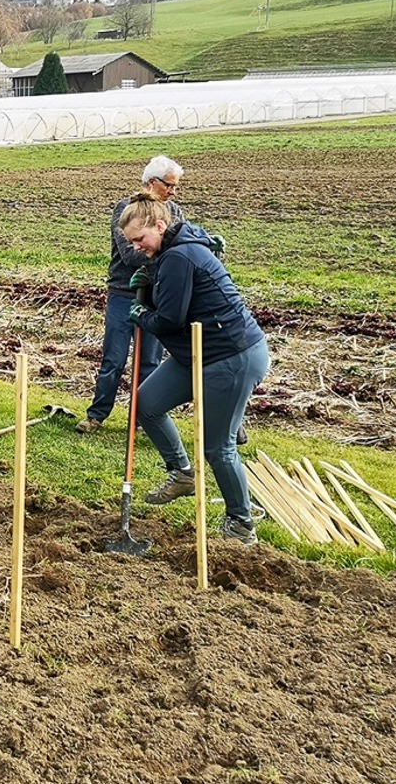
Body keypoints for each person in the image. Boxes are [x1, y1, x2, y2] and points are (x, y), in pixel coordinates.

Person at [118, 193, 270, 546]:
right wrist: (149, 284)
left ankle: (240, 524)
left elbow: (170, 319)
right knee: (147, 404)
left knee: (218, 446)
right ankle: (182, 473)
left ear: (160, 225)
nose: (137, 247)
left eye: (141, 239)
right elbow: (175, 302)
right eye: (131, 242)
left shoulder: (181, 256)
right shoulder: (170, 252)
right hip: (196, 353)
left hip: (231, 356)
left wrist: (143, 313)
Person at [75, 155, 183, 434]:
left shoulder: (176, 212)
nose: (173, 192)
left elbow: (181, 251)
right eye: (169, 185)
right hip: (124, 294)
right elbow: (129, 255)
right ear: (152, 182)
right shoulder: (126, 210)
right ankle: (97, 415)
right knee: (114, 359)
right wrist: (165, 255)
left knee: (149, 362)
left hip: (156, 297)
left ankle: (141, 420)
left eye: (175, 187)